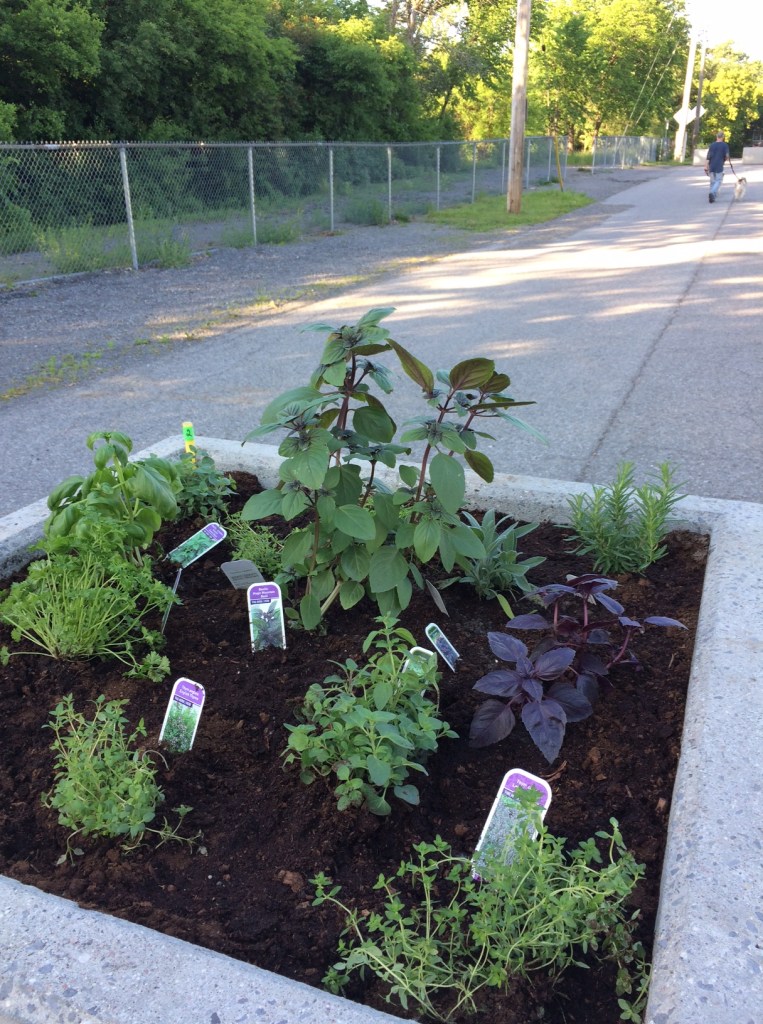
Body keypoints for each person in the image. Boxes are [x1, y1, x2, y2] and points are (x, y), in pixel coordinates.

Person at [704, 130, 730, 203]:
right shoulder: (725, 145)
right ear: (723, 137)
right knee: (718, 180)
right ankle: (712, 192)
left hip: (711, 165)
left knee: (712, 181)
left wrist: (705, 166)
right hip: (719, 165)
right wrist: (725, 159)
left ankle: (713, 197)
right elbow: (727, 156)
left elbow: (708, 157)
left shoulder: (712, 145)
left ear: (717, 137)